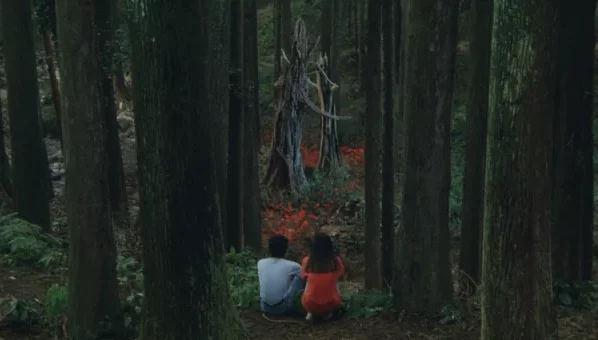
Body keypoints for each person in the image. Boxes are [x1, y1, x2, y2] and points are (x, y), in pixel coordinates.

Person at [301, 232, 346, 323]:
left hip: (309, 304)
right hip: (332, 303)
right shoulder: (335, 261)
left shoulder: (307, 261)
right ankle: (328, 312)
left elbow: (303, 276)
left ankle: (311, 312)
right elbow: (340, 274)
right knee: (333, 282)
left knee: (309, 282)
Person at [257, 235, 306, 316]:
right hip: (283, 308)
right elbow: (305, 276)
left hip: (264, 306)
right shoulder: (293, 266)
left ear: (269, 249)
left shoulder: (260, 263)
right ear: (286, 250)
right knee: (300, 277)